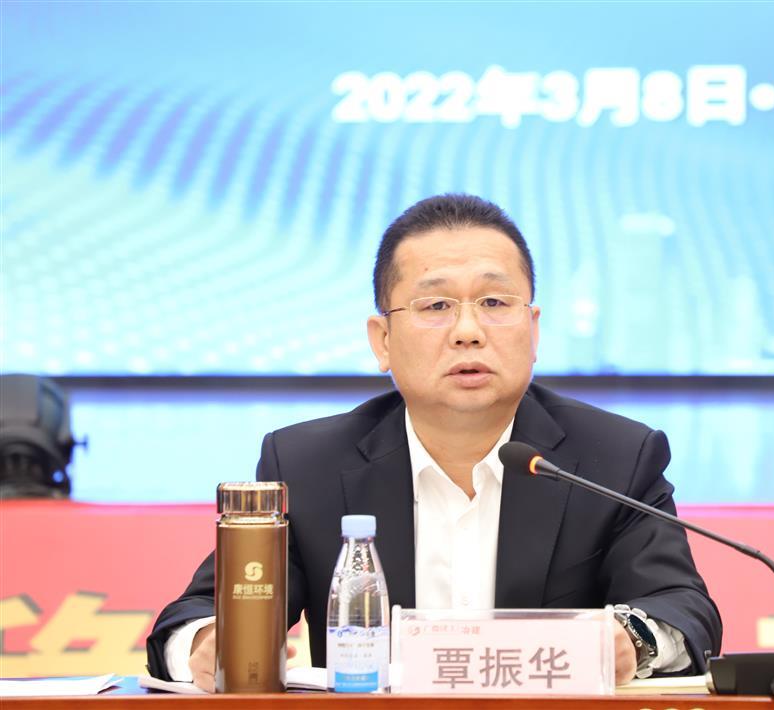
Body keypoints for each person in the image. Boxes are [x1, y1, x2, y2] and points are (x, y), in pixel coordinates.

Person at [146, 194, 722, 690]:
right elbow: (194, 615)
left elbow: (683, 610)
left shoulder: (614, 458)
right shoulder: (308, 465)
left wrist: (632, 641)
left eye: (494, 303)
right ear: (383, 340)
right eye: (437, 306)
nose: (468, 331)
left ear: (533, 329)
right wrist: (207, 645)